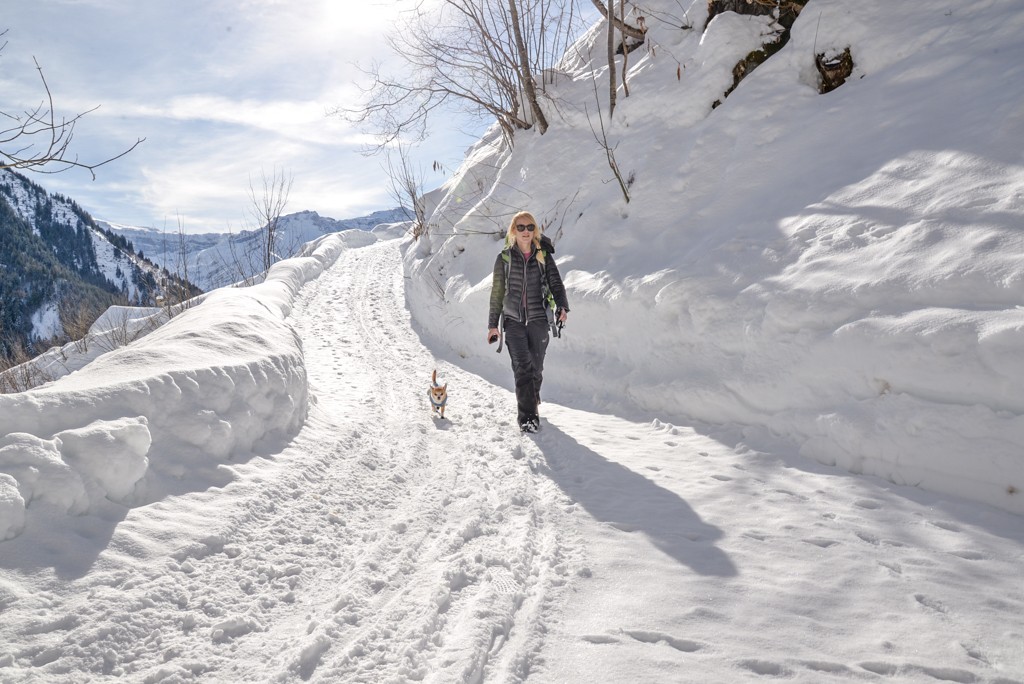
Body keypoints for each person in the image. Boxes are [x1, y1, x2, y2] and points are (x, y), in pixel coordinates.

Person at [487, 211, 570, 433]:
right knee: (522, 368)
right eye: (521, 227)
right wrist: (492, 324)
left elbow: (556, 283)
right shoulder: (504, 258)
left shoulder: (544, 256)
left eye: (530, 227)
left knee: (536, 367)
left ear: (535, 230)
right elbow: (496, 294)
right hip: (513, 322)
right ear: (513, 231)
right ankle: (528, 418)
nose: (526, 231)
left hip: (538, 320)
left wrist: (562, 306)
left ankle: (532, 397)